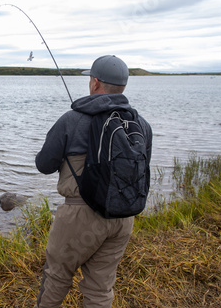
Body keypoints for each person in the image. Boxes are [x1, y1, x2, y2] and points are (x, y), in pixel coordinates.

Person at [34, 55, 153, 307]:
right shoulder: (141, 124)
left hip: (79, 216)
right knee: (100, 288)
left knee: (56, 278)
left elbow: (44, 165)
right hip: (122, 218)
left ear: (95, 83)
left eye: (90, 78)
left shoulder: (72, 119)